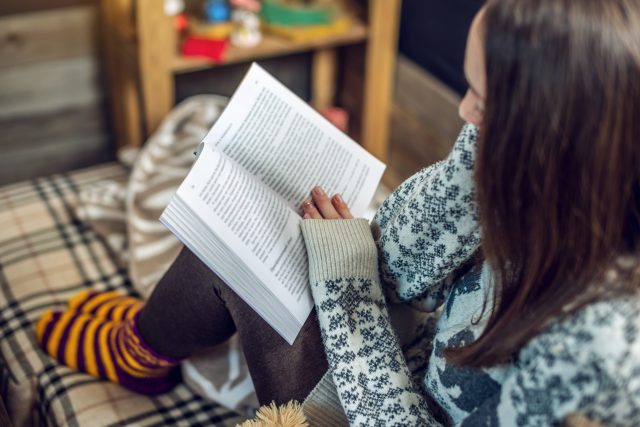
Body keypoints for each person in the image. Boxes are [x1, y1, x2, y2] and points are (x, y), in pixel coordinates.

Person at [36, 0, 640, 424]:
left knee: (242, 257)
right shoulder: (549, 184)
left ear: (556, 138)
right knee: (256, 227)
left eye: (482, 101)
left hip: (392, 412)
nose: (462, 111)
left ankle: (138, 350)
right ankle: (144, 344)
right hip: (408, 364)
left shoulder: (601, 349)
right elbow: (403, 266)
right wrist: (476, 170)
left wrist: (346, 279)